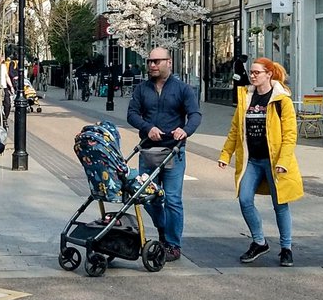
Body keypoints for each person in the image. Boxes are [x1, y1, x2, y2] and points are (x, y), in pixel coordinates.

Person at [217, 57, 303, 267]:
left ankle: (286, 248)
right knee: (244, 199)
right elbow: (236, 130)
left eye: (257, 73)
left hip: (274, 162)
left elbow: (290, 135)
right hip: (252, 161)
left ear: (269, 74)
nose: (252, 76)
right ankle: (259, 241)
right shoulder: (246, 97)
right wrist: (225, 155)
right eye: (252, 72)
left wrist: (283, 161)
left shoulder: (282, 100)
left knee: (280, 205)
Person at [126, 46, 201, 262]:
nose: (152, 65)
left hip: (173, 152)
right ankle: (163, 229)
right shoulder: (142, 89)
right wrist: (147, 127)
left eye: (157, 61)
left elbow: (195, 115)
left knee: (173, 200)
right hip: (148, 150)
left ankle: (173, 244)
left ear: (169, 62)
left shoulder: (182, 89)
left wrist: (184, 130)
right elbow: (132, 114)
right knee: (147, 198)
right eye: (150, 61)